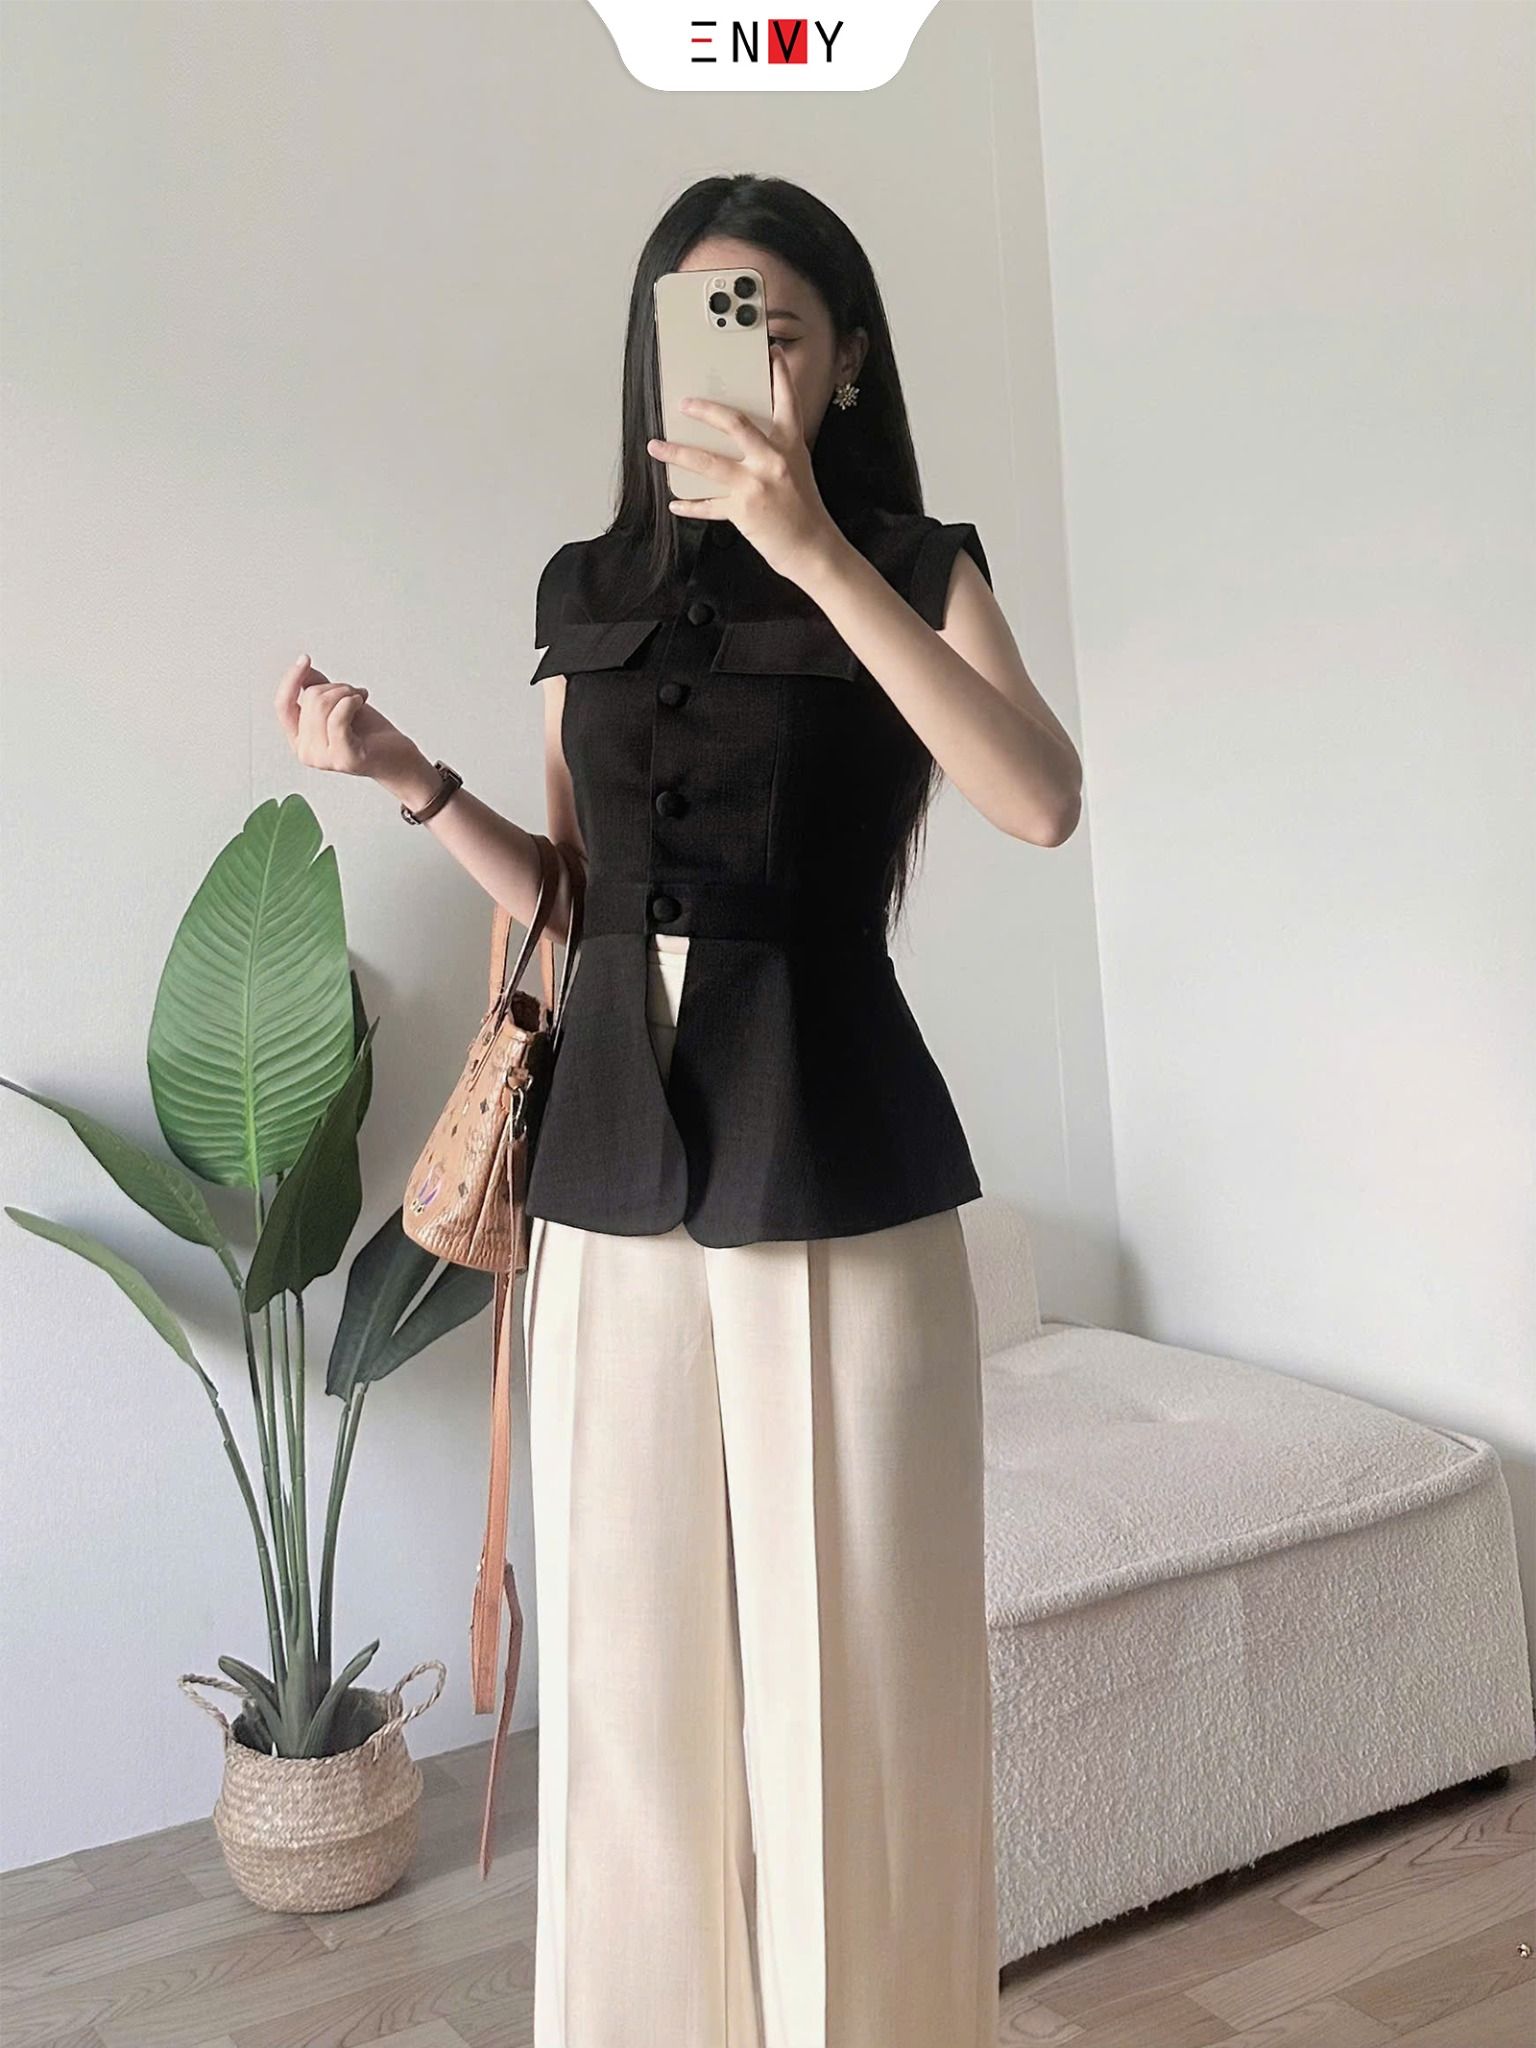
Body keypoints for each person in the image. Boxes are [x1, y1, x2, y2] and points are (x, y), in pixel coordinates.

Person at [277, 172, 1081, 2048]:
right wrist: (406, 776)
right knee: (628, 1694)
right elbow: (578, 899)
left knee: (853, 1685)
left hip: (834, 1160)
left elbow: (1040, 799)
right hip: (608, 1173)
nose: (741, 362)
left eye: (777, 329)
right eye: (705, 328)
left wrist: (818, 551)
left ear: (849, 360)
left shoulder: (914, 562)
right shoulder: (588, 590)